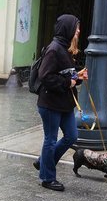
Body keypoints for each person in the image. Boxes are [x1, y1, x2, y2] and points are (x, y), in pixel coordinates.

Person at [33, 14, 87, 191]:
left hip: (65, 103)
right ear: (68, 28)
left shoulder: (66, 48)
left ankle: (44, 161)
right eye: (76, 27)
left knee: (71, 136)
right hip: (50, 103)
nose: (78, 30)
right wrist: (68, 82)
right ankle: (47, 178)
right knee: (50, 140)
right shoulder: (54, 49)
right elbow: (46, 76)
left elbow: (65, 74)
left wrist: (77, 77)